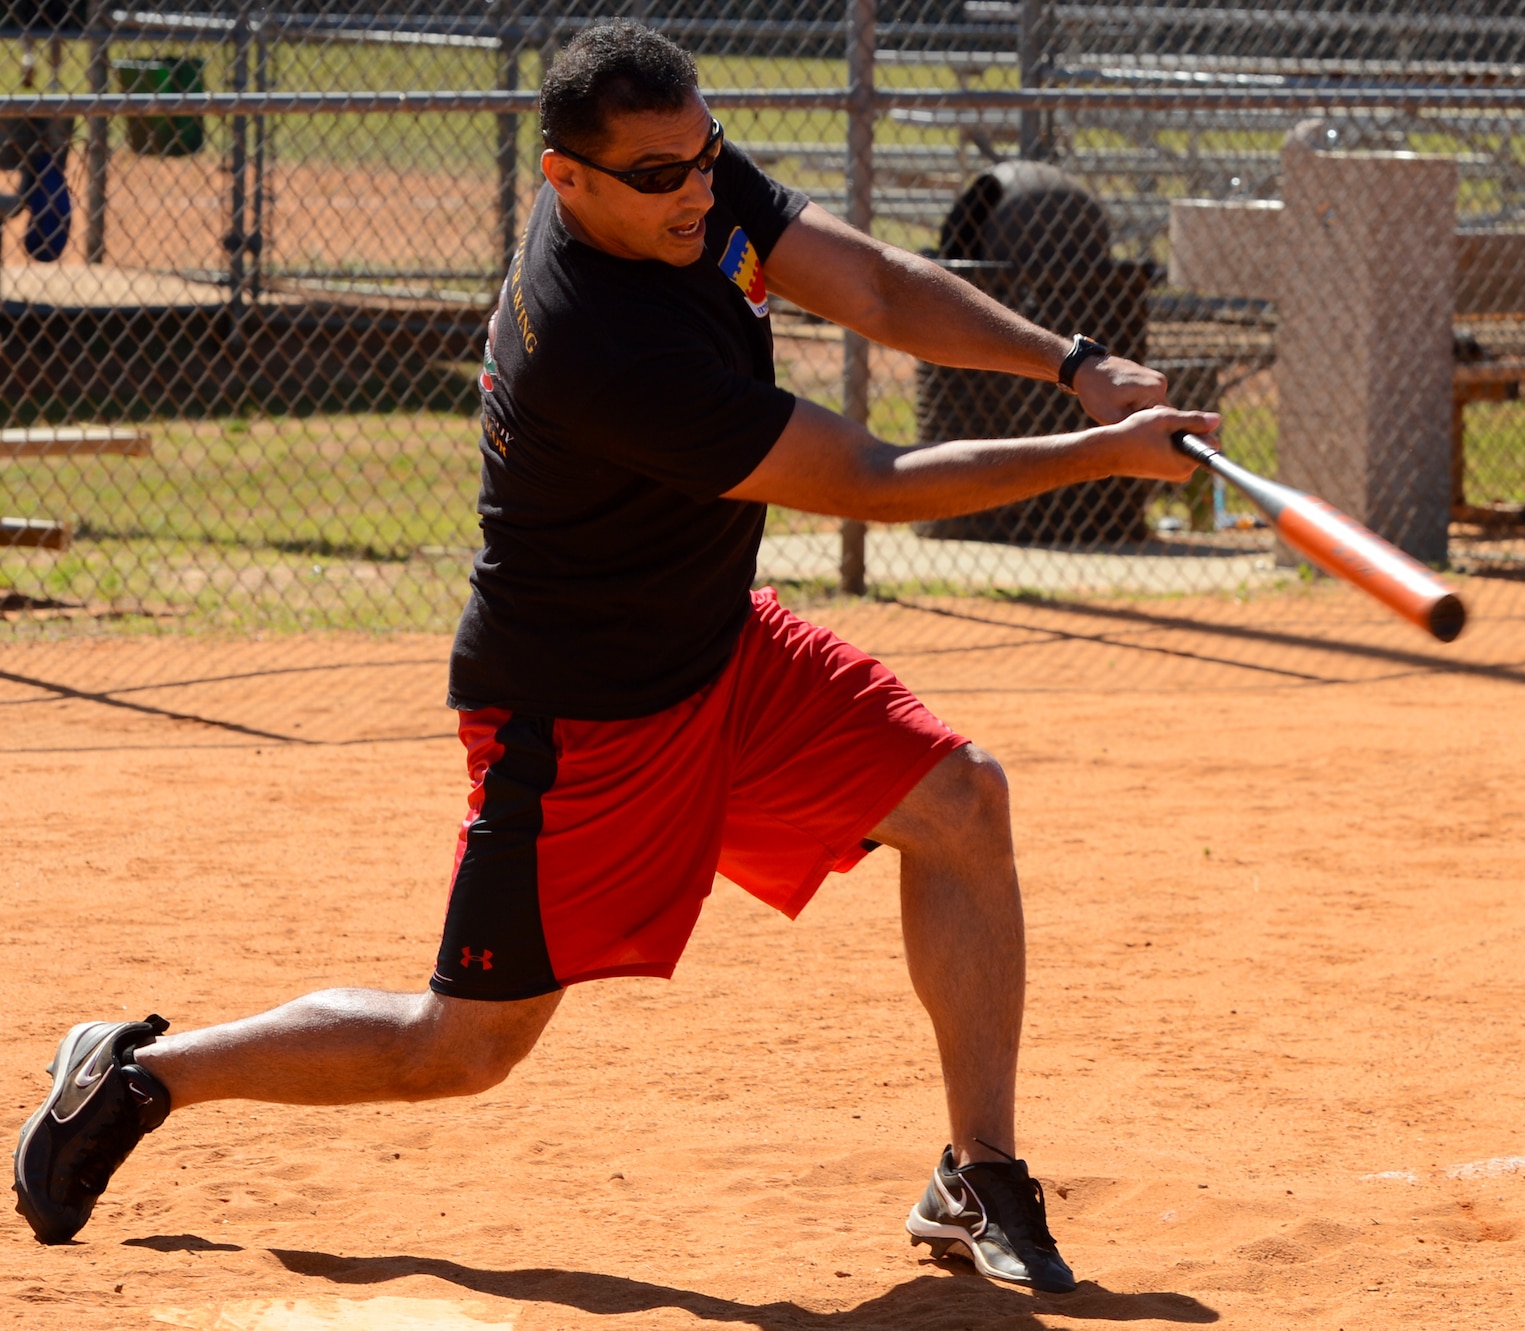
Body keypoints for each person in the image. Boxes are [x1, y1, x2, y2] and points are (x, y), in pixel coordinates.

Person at [11, 21, 1214, 1295]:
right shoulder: (599, 346)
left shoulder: (675, 178)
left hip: (716, 644)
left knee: (961, 799)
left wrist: (1071, 365)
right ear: (563, 177)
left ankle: (977, 1169)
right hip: (580, 716)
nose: (696, 189)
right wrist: (1099, 454)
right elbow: (873, 478)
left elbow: (870, 289)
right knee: (461, 1047)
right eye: (658, 174)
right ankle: (141, 1073)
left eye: (704, 158)